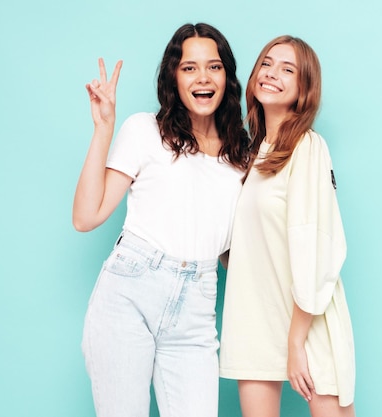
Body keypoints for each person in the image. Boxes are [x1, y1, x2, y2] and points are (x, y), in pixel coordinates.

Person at [72, 23, 250, 417]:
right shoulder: (144, 130)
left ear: (227, 77)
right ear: (174, 76)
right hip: (129, 293)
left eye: (214, 67)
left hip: (197, 306)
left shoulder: (243, 158)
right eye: (189, 67)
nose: (203, 77)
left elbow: (230, 253)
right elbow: (86, 217)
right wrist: (103, 128)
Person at [219, 36, 356, 417]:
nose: (272, 73)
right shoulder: (251, 157)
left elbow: (316, 244)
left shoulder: (308, 148)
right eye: (267, 63)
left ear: (303, 89)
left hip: (306, 321)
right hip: (255, 318)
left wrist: (296, 341)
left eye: (287, 69)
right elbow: (247, 250)